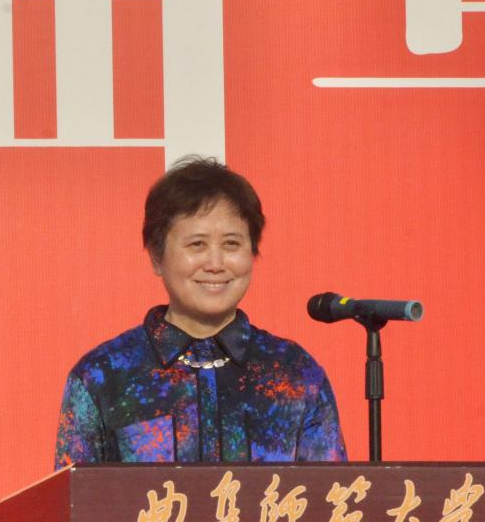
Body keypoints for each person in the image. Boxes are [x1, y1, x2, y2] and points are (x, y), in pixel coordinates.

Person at [54, 156, 346, 468]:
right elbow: (75, 496)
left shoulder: (295, 373)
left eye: (231, 244)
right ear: (156, 257)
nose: (215, 264)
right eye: (197, 245)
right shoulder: (104, 376)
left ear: (252, 253)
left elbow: (329, 495)